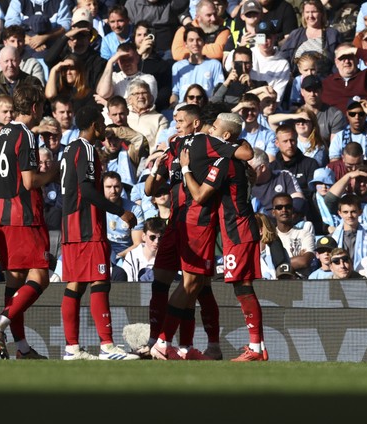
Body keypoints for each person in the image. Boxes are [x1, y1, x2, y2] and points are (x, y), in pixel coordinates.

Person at [0, 85, 58, 360]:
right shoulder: (26, 135)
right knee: (40, 277)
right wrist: (53, 172)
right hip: (23, 217)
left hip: (1, 216)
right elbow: (29, 181)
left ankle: (23, 349)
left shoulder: (1, 133)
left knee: (14, 283)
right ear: (36, 108)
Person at [59, 105, 139, 360]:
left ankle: (72, 349)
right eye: (101, 123)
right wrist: (120, 212)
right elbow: (88, 191)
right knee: (99, 281)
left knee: (76, 285)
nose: (104, 127)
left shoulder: (68, 148)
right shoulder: (87, 150)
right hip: (87, 226)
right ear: (94, 125)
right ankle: (107, 346)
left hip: (70, 226)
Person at [179, 135, 267, 361]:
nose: (212, 135)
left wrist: (186, 168)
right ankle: (254, 346)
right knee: (240, 287)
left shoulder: (225, 163)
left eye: (216, 129)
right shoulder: (237, 162)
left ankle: (256, 348)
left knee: (243, 287)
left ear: (226, 135)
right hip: (235, 231)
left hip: (238, 231)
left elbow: (199, 196)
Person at [278, 0, 342, 78]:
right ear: (303, 14)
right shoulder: (295, 35)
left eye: (314, 12)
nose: (310, 16)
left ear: (321, 13)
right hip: (298, 81)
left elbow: (339, 61)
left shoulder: (332, 34)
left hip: (325, 81)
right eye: (307, 12)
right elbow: (283, 59)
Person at [321, 44, 367, 113]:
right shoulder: (326, 83)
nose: (347, 61)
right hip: (336, 122)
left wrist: (355, 51)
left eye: (350, 57)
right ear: (336, 62)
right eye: (342, 58)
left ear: (357, 60)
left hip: (364, 120)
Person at [272, 193, 315, 278]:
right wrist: (296, 258)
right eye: (279, 207)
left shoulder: (304, 234)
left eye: (288, 207)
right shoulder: (270, 236)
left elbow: (304, 261)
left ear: (292, 210)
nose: (284, 210)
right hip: (275, 284)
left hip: (300, 283)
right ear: (273, 212)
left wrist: (276, 264)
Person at [330, 194, 367, 271]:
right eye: (345, 212)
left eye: (353, 212)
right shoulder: (331, 238)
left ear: (360, 212)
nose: (349, 215)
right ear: (339, 213)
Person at [122, 217, 165, 282]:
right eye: (152, 237)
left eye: (160, 238)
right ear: (143, 237)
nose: (156, 241)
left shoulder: (165, 258)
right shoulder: (132, 256)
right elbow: (128, 285)